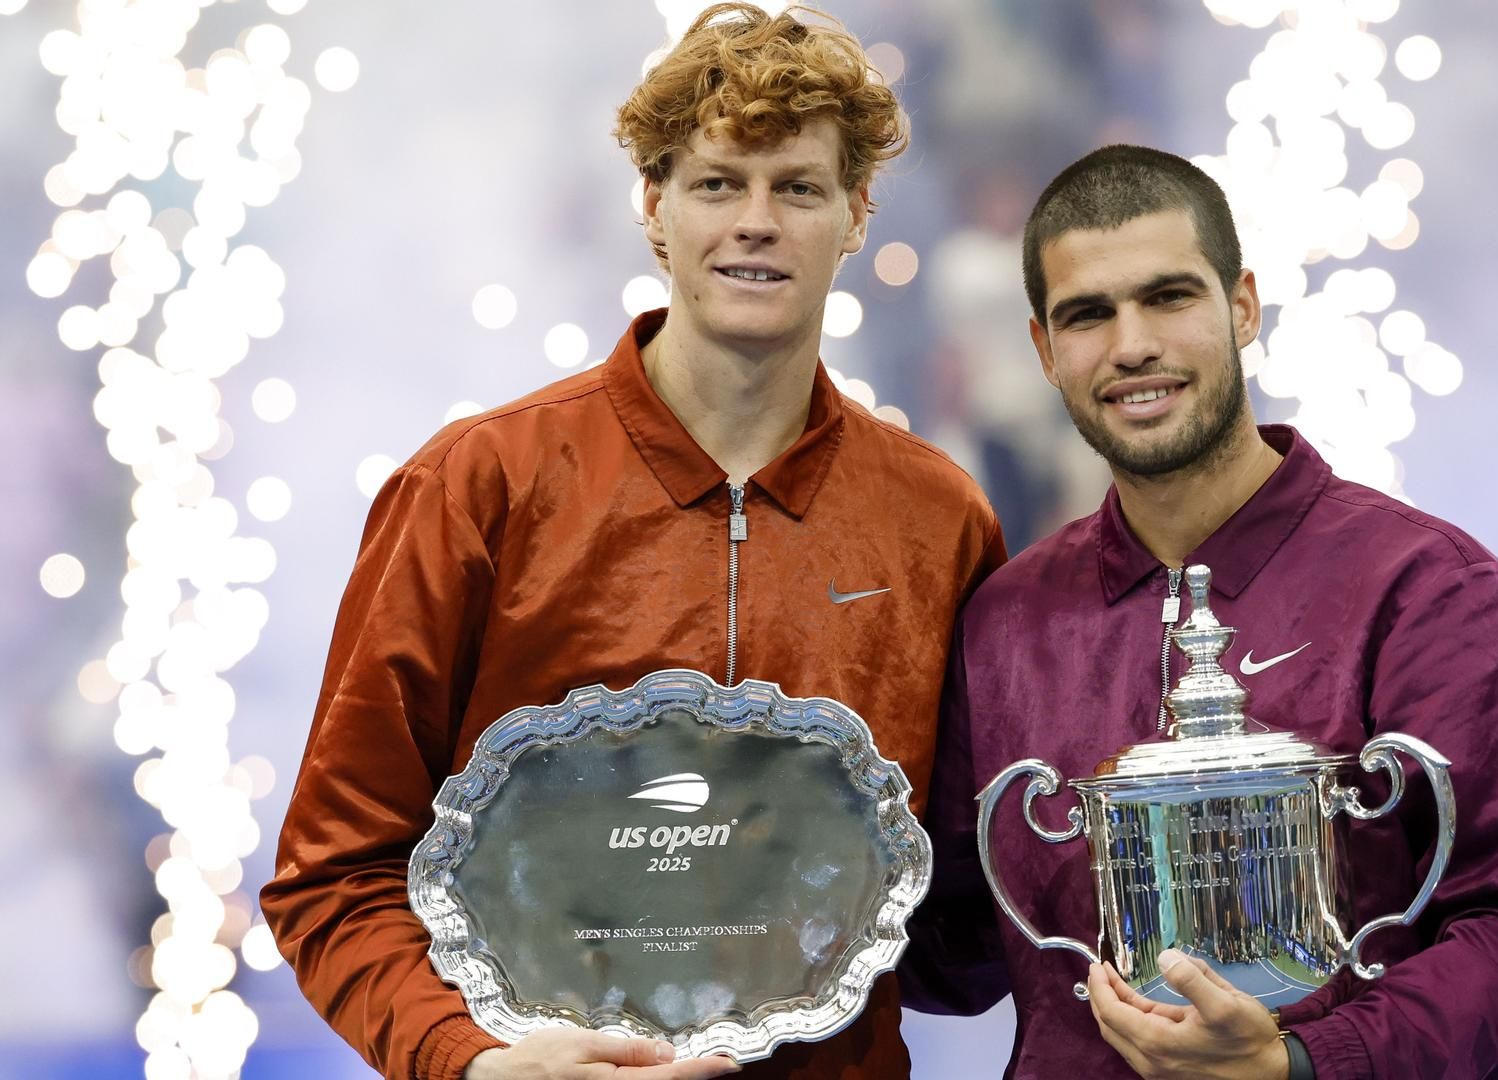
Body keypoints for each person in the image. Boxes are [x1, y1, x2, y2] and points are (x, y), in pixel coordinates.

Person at [259, 6, 1005, 1079]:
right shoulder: (481, 483)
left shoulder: (938, 519)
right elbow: (333, 873)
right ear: (654, 208)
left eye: (797, 187)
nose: (756, 221)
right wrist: (467, 1060)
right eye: (717, 184)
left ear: (856, 214)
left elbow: (949, 922)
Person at [917, 144, 1498, 1079]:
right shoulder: (1006, 622)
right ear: (1042, 349)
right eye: (1088, 315)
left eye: (1169, 297)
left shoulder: (1430, 589)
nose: (1131, 347)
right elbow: (948, 952)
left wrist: (1305, 1065)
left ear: (1242, 305)